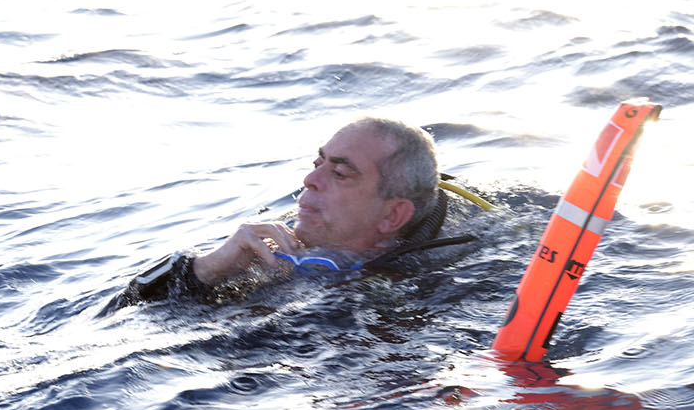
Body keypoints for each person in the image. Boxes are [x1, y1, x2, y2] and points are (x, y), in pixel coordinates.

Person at [123, 115, 481, 302]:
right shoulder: (264, 253)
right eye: (317, 162)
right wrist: (209, 267)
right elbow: (129, 311)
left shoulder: (420, 291)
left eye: (340, 173)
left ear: (392, 216)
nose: (311, 180)